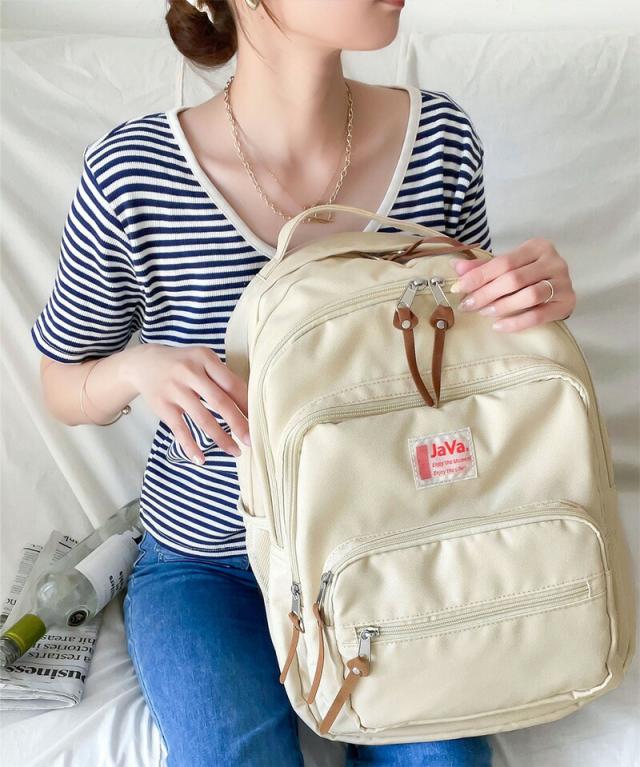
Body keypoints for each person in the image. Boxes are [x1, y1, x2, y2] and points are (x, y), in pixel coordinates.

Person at [30, 1, 576, 764]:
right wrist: (136, 368)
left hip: (393, 547)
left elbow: (465, 367)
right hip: (206, 567)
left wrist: (532, 306)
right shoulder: (133, 173)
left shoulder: (439, 140)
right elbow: (62, 383)